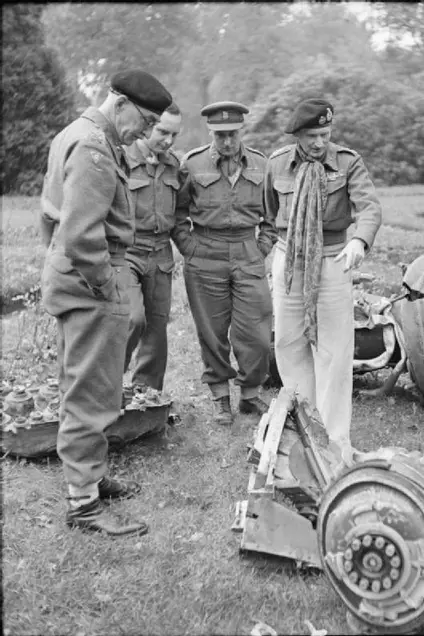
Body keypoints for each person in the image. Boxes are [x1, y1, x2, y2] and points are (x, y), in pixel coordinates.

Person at [40, 69, 172, 536]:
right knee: (91, 395)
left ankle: (90, 479)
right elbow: (81, 234)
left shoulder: (73, 134)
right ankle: (83, 507)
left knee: (84, 385)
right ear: (119, 105)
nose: (147, 131)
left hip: (72, 276)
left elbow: (50, 215)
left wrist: (59, 264)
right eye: (146, 119)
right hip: (93, 279)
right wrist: (106, 285)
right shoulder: (96, 146)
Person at [263, 97, 382, 455]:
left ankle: (335, 437)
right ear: (298, 134)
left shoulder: (348, 162)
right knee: (288, 341)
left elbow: (370, 207)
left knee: (334, 348)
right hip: (290, 259)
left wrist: (359, 241)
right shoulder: (278, 164)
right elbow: (269, 212)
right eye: (312, 135)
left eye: (325, 134)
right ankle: (305, 425)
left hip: (333, 260)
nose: (319, 142)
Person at [173, 102, 276, 425]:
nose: (227, 142)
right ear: (211, 133)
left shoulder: (262, 164)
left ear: (242, 130)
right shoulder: (192, 164)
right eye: (220, 135)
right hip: (205, 252)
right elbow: (176, 215)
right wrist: (190, 248)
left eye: (232, 134)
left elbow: (273, 216)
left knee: (257, 332)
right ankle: (220, 397)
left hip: (247, 251)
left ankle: (249, 394)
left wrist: (261, 248)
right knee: (212, 329)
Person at [124, 102, 183, 391]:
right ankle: (105, 386)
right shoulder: (122, 158)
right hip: (127, 253)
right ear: (147, 124)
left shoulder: (174, 164)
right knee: (132, 319)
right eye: (163, 131)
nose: (168, 141)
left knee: (157, 330)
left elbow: (182, 212)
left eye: (174, 135)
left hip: (161, 254)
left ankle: (146, 397)